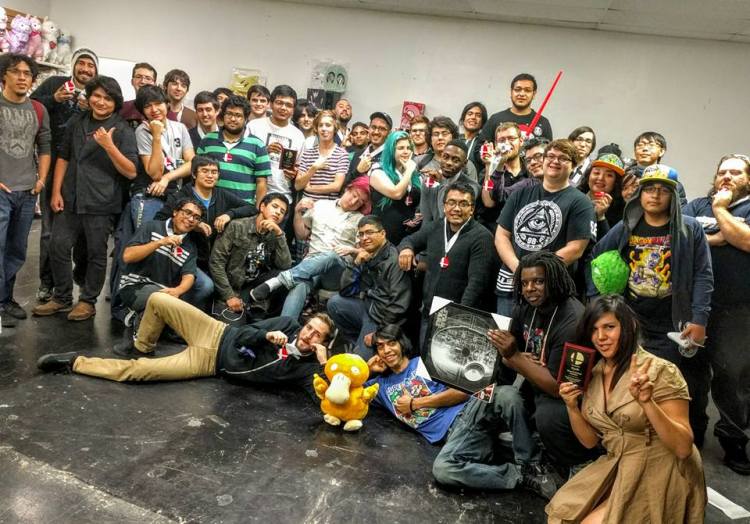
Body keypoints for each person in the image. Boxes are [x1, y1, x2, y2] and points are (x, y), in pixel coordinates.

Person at [432, 252, 599, 499]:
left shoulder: (572, 318)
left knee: (547, 413)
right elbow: (506, 360)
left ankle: (555, 462)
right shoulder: (524, 307)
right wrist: (513, 358)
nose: (530, 288)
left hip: (565, 398)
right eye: (524, 282)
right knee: (445, 468)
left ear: (554, 280)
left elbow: (558, 387)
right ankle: (522, 473)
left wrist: (516, 357)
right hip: (522, 390)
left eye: (538, 281)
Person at [547, 295, 706, 523]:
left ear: (629, 326)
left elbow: (683, 448)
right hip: (618, 465)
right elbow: (590, 441)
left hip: (662, 468)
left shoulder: (661, 371)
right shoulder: (593, 373)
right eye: (594, 330)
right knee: (564, 516)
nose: (601, 337)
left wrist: (647, 403)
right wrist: (572, 406)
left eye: (609, 327)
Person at [590, 165, 713, 446]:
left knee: (673, 383)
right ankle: (642, 440)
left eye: (662, 190)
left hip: (674, 320)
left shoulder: (689, 228)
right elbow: (598, 254)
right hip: (634, 318)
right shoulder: (627, 226)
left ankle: (682, 440)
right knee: (635, 379)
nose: (655, 195)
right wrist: (604, 295)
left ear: (673, 196)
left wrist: (700, 318)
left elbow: (703, 275)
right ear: (640, 194)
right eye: (648, 189)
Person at [37, 292, 335, 400]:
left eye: (317, 335)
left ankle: (75, 362)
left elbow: (322, 399)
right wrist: (266, 336)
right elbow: (244, 334)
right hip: (216, 331)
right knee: (158, 300)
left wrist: (324, 365)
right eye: (310, 327)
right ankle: (142, 345)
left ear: (322, 343)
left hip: (209, 364)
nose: (309, 335)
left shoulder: (306, 369)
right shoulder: (287, 324)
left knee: (138, 373)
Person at [32, 76, 138, 321]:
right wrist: (56, 191)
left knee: (95, 253)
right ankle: (61, 297)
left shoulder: (122, 129)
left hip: (101, 201)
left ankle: (88, 301)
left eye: (107, 98)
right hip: (70, 196)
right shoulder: (77, 121)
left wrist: (109, 146)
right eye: (96, 96)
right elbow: (64, 156)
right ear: (89, 97)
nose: (101, 102)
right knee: (58, 246)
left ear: (116, 102)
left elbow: (131, 171)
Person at [683, 154, 750, 472]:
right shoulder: (697, 205)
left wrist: (721, 211)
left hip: (737, 309)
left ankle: (733, 440)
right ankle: (692, 431)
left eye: (735, 172)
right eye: (722, 171)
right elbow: (677, 238)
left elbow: (746, 241)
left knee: (733, 378)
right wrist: (719, 238)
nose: (727, 176)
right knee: (690, 372)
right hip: (696, 306)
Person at [494, 139, 596, 316]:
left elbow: (575, 249)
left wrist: (534, 276)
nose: (555, 161)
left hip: (550, 290)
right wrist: (520, 270)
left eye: (563, 158)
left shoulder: (581, 202)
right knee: (504, 333)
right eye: (550, 156)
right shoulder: (520, 194)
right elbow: (501, 236)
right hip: (510, 286)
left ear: (573, 166)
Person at [30, 47, 98, 303]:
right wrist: (55, 99)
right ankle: (47, 283)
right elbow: (31, 107)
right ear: (74, 65)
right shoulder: (55, 84)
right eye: (81, 63)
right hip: (51, 167)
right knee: (49, 230)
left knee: (82, 233)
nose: (85, 69)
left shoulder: (97, 93)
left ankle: (78, 280)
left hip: (84, 172)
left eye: (90, 65)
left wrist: (89, 109)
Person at [250, 178, 372, 321]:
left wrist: (352, 250)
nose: (354, 202)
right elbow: (301, 235)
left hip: (337, 270)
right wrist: (297, 212)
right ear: (347, 189)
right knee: (299, 285)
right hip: (311, 264)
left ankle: (277, 282)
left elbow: (366, 253)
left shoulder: (361, 220)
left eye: (360, 202)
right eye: (354, 195)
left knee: (332, 255)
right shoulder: (320, 205)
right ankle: (285, 328)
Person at [398, 181, 497, 340]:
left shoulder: (482, 237)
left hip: (457, 318)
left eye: (463, 204)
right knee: (423, 354)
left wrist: (459, 317)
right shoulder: (436, 227)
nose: (456, 208)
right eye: (451, 202)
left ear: (472, 209)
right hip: (429, 312)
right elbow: (409, 240)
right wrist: (406, 249)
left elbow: (476, 285)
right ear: (444, 206)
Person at [0, 54, 52, 328]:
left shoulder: (38, 110)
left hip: (27, 191)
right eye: (15, 71)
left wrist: (41, 180)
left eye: (27, 73)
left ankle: (5, 299)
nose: (22, 77)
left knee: (17, 250)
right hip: (1, 189)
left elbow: (45, 146)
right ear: (4, 75)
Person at [365, 324, 469, 443]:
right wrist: (368, 369)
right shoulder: (380, 385)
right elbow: (348, 391)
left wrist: (414, 403)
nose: (386, 350)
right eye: (380, 347)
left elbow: (462, 392)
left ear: (401, 344)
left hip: (463, 415)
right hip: (451, 437)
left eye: (392, 343)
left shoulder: (424, 362)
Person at [326, 216, 412, 357]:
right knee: (335, 303)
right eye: (361, 234)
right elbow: (345, 291)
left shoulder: (394, 260)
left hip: (381, 318)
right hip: (367, 307)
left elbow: (399, 306)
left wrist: (378, 334)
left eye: (369, 232)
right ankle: (357, 342)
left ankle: (365, 348)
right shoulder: (366, 254)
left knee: (360, 361)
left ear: (382, 233)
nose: (364, 238)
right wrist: (356, 263)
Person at [115, 198, 203, 333]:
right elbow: (128, 256)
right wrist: (160, 243)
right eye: (187, 213)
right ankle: (140, 322)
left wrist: (178, 290)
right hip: (135, 286)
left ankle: (141, 317)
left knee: (180, 330)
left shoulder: (190, 246)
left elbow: (189, 275)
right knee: (170, 309)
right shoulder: (151, 227)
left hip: (166, 292)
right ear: (175, 212)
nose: (191, 219)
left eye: (196, 218)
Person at [210, 192, 292, 321]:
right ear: (262, 207)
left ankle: (265, 314)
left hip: (256, 288)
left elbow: (285, 265)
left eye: (282, 212)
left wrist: (279, 234)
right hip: (232, 287)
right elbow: (216, 263)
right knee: (231, 328)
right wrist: (229, 296)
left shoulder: (275, 234)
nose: (278, 212)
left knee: (286, 276)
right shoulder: (237, 226)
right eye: (275, 206)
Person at [195, 95, 272, 205]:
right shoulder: (207, 140)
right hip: (210, 206)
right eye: (229, 114)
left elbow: (261, 183)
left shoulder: (257, 145)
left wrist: (258, 210)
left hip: (242, 208)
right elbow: (197, 173)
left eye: (238, 115)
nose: (232, 119)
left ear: (246, 118)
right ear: (223, 115)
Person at [247, 85, 305, 204]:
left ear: (293, 110)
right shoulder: (254, 126)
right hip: (252, 194)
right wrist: (264, 152)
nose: (283, 108)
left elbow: (299, 167)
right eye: (279, 103)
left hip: (283, 197)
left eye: (288, 105)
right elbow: (243, 158)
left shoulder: (298, 135)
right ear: (271, 104)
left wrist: (295, 173)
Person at [369, 131, 422, 245]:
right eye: (401, 148)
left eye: (408, 148)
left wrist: (416, 215)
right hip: (384, 234)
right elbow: (396, 194)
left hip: (408, 235)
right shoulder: (378, 171)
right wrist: (409, 171)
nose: (406, 151)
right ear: (391, 150)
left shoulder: (414, 175)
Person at [479, 122, 529, 229]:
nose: (506, 143)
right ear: (496, 144)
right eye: (502, 140)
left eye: (511, 139)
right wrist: (488, 166)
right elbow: (488, 202)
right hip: (494, 228)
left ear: (521, 141)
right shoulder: (489, 169)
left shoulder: (530, 170)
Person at [479, 73, 553, 145]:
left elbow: (549, 151)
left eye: (527, 90)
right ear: (511, 92)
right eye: (517, 89)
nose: (522, 94)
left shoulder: (543, 122)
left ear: (534, 94)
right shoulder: (495, 119)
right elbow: (479, 148)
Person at [420, 140, 480, 225]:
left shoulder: (472, 187)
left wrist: (442, 183)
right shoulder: (429, 183)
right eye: (445, 157)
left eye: (455, 160)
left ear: (464, 163)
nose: (449, 163)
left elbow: (444, 215)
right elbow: (426, 221)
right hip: (432, 231)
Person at [295, 110, 349, 201]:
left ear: (335, 128)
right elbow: (297, 185)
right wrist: (314, 168)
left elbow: (336, 186)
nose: (324, 129)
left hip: (328, 206)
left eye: (328, 125)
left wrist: (309, 188)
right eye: (320, 125)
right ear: (316, 128)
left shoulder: (342, 155)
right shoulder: (308, 153)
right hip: (306, 206)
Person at [577, 148, 626, 240]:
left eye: (609, 175)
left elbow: (610, 243)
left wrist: (601, 217)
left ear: (616, 182)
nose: (600, 178)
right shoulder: (575, 196)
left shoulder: (622, 210)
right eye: (596, 172)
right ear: (588, 176)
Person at [631, 131, 687, 206]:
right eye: (640, 145)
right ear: (635, 151)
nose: (645, 149)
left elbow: (680, 210)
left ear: (661, 151)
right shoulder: (624, 177)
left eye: (651, 145)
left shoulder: (673, 183)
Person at [348, 112, 392, 182]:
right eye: (373, 127)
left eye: (382, 129)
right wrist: (357, 171)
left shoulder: (391, 157)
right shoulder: (357, 154)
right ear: (369, 129)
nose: (376, 132)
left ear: (389, 133)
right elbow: (344, 184)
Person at [120, 62, 157, 127]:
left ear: (154, 84)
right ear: (132, 81)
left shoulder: (162, 109)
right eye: (138, 77)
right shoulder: (123, 108)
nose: (142, 81)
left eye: (148, 78)